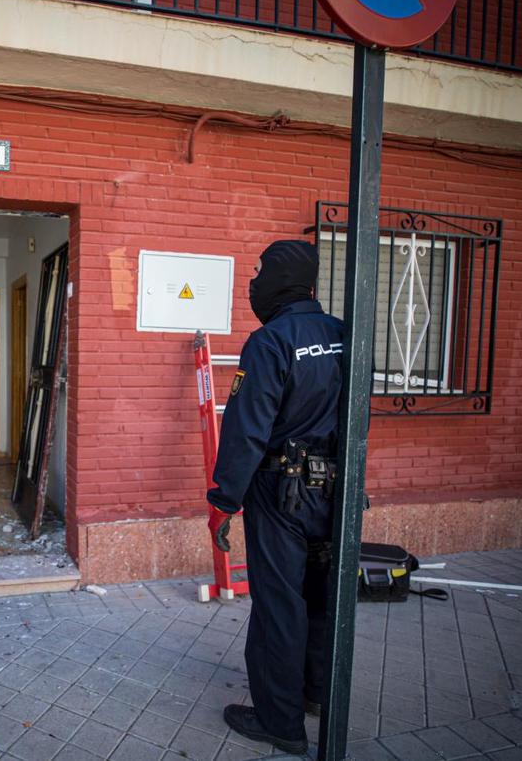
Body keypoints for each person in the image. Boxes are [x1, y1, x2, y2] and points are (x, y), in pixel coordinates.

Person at [207, 239, 344, 755]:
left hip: (280, 492)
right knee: (320, 597)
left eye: (260, 271)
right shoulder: (343, 335)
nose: (254, 282)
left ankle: (279, 722)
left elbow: (246, 430)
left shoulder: (270, 342)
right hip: (333, 489)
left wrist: (224, 501)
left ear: (281, 279)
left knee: (279, 605)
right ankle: (314, 693)